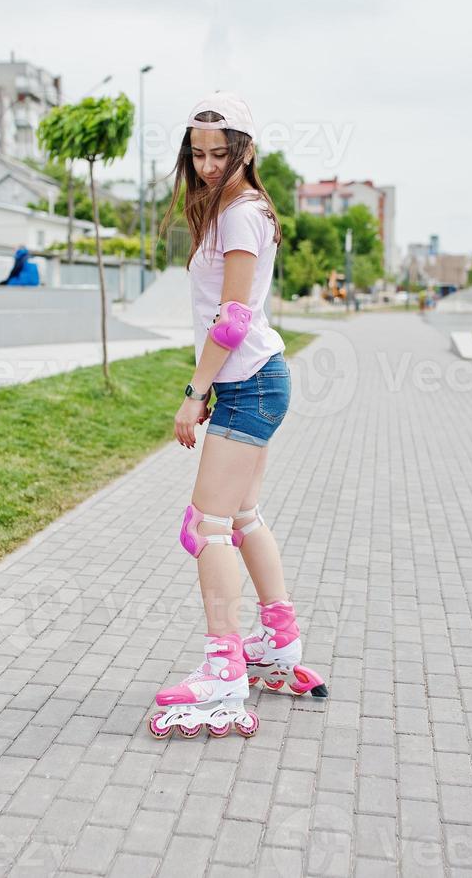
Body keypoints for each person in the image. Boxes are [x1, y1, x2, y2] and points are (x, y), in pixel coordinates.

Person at [149, 93, 328, 741]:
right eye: (196, 154)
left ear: (245, 150)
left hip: (248, 384)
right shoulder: (231, 208)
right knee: (243, 516)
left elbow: (233, 320)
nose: (205, 166)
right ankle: (278, 640)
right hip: (256, 381)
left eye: (219, 154)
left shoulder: (242, 214)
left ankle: (223, 665)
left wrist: (196, 393)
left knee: (205, 525)